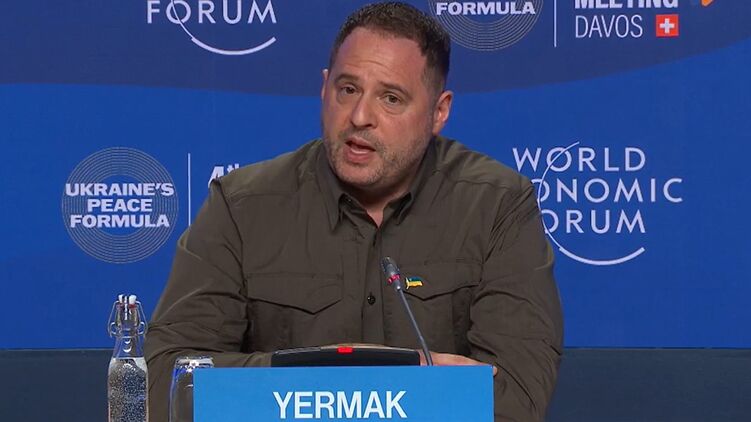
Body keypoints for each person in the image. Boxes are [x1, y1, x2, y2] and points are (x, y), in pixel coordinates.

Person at [145, 2, 563, 421]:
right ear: (324, 88)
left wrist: (294, 388)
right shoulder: (241, 206)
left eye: (391, 98)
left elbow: (517, 398)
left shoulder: (497, 206)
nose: (360, 116)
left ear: (439, 112)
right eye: (347, 89)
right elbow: (166, 381)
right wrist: (355, 374)